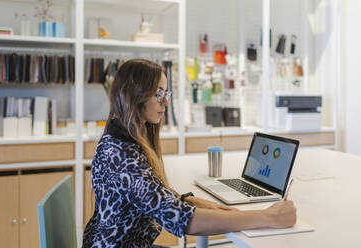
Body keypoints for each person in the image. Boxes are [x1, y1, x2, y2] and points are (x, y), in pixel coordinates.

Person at [82, 58, 296, 248]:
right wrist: (269, 217)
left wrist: (198, 203)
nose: (166, 102)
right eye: (159, 94)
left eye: (167, 93)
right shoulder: (120, 154)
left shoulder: (123, 139)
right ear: (135, 95)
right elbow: (182, 219)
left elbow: (154, 195)